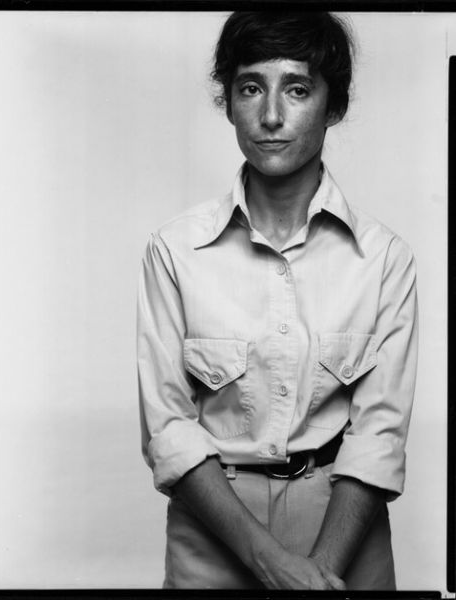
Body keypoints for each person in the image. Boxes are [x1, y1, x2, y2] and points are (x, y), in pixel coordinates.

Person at [137, 11, 418, 590]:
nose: (270, 115)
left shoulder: (385, 258)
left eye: (296, 89)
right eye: (250, 88)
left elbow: (378, 435)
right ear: (229, 103)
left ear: (333, 105)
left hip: (344, 528)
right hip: (214, 530)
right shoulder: (174, 250)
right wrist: (269, 562)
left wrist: (320, 573)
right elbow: (169, 428)